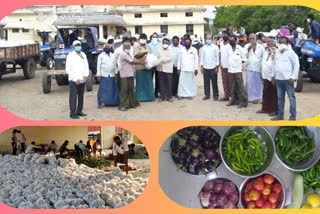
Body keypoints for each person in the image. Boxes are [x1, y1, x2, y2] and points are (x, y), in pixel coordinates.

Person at [271, 36, 299, 121]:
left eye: (284, 42)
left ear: (287, 43)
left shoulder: (291, 53)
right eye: (281, 43)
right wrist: (273, 76)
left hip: (288, 79)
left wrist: (293, 77)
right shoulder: (277, 53)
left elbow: (296, 65)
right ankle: (280, 115)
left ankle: (293, 117)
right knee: (280, 98)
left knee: (291, 98)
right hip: (279, 79)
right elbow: (274, 65)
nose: (282, 44)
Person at [66, 40, 89, 119]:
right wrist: (75, 79)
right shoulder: (70, 56)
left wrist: (86, 76)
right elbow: (68, 69)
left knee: (81, 96)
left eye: (79, 45)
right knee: (73, 96)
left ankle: (79, 111)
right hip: (74, 80)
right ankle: (72, 113)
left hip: (82, 79)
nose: (78, 46)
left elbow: (86, 66)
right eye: (76, 45)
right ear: (73, 47)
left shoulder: (83, 55)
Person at [118, 43, 144, 111]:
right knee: (124, 90)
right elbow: (132, 62)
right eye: (126, 47)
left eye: (129, 47)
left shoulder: (129, 54)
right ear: (123, 48)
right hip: (124, 75)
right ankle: (123, 105)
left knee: (131, 89)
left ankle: (131, 103)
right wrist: (141, 62)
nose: (128, 48)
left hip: (130, 74)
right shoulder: (123, 54)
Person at [257, 40, 278, 116]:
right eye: (268, 44)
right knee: (265, 93)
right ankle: (265, 108)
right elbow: (263, 64)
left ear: (274, 45)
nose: (269, 46)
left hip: (272, 76)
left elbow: (276, 65)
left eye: (271, 44)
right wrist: (262, 75)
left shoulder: (276, 52)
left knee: (273, 94)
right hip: (265, 75)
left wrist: (274, 76)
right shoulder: (265, 52)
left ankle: (274, 110)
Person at [226, 35, 248, 108]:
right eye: (230, 40)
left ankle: (244, 102)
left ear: (236, 40)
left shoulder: (240, 49)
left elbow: (244, 59)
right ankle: (234, 100)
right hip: (230, 70)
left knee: (240, 86)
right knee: (232, 86)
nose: (231, 41)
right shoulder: (228, 49)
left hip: (237, 70)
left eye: (232, 40)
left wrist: (237, 64)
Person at [96, 43, 119, 108]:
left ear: (110, 48)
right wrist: (98, 75)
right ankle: (100, 102)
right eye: (106, 47)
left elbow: (115, 65)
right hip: (104, 75)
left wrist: (116, 73)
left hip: (111, 75)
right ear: (104, 48)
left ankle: (112, 102)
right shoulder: (101, 56)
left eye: (108, 47)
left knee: (113, 89)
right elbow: (98, 66)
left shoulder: (113, 55)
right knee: (102, 89)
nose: (107, 49)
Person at [244, 34, 265, 104]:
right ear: (249, 39)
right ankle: (249, 97)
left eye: (253, 38)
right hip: (250, 67)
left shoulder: (261, 47)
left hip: (258, 67)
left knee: (257, 83)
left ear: (255, 38)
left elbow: (263, 57)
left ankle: (257, 98)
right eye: (250, 38)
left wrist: (263, 68)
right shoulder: (246, 46)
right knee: (249, 82)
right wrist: (248, 49)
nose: (252, 39)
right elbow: (244, 56)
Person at [134, 33, 155, 102]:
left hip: (147, 67)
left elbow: (151, 55)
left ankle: (150, 97)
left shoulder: (148, 46)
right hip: (139, 67)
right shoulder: (136, 46)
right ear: (139, 39)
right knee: (140, 83)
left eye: (144, 39)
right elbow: (136, 55)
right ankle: (140, 98)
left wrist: (152, 65)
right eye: (141, 39)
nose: (143, 40)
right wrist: (144, 53)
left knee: (148, 82)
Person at [200, 34, 220, 101]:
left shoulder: (215, 47)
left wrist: (217, 67)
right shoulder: (204, 47)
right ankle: (207, 95)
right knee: (206, 82)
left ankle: (216, 95)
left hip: (213, 67)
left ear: (211, 39)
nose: (208, 40)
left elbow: (217, 57)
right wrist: (201, 66)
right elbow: (202, 57)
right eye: (207, 38)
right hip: (205, 67)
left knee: (214, 82)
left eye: (209, 38)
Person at [156, 38, 174, 102]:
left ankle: (169, 97)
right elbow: (156, 58)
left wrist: (161, 59)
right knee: (161, 83)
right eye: (164, 43)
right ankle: (162, 97)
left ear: (168, 44)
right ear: (162, 43)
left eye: (166, 43)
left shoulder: (171, 50)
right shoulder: (158, 50)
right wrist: (162, 59)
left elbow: (170, 58)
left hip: (168, 69)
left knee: (169, 83)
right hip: (160, 69)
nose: (165, 44)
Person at [148, 32, 162, 98]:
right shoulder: (148, 45)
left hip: (158, 64)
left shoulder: (160, 45)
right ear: (151, 38)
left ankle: (157, 93)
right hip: (150, 65)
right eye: (153, 37)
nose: (154, 38)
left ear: (157, 38)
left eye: (156, 37)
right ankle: (150, 93)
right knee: (150, 79)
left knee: (158, 79)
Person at [219, 30, 232, 101]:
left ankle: (232, 96)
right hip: (223, 66)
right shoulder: (221, 43)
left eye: (225, 34)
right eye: (223, 34)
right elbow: (220, 53)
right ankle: (226, 95)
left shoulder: (231, 44)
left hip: (230, 66)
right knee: (224, 81)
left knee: (231, 81)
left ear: (228, 36)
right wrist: (220, 63)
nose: (223, 36)